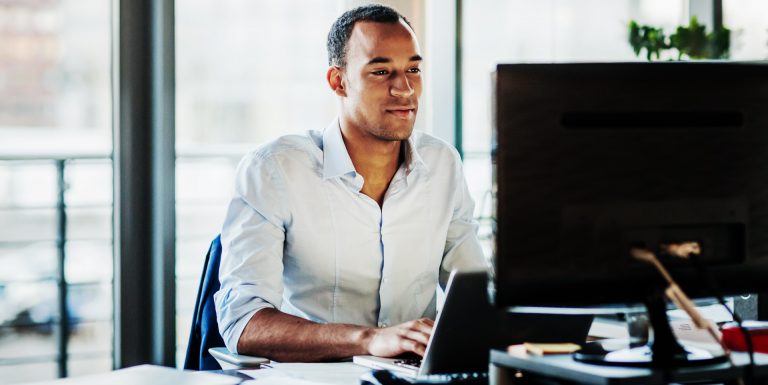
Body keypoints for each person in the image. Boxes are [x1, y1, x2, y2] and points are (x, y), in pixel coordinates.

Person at [214, 4, 485, 362]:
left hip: (416, 376)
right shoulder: (274, 170)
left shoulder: (442, 164)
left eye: (413, 69)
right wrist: (369, 339)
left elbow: (477, 295)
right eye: (381, 71)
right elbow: (244, 324)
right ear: (338, 81)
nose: (404, 88)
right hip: (318, 378)